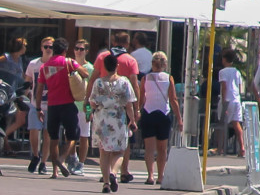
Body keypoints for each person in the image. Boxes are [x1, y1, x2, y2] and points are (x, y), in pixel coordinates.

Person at [87, 31, 141, 183]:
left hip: (101, 117)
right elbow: (129, 102)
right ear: (117, 66)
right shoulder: (124, 82)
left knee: (103, 152)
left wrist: (89, 110)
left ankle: (105, 182)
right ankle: (114, 172)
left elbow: (93, 101)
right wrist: (133, 118)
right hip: (118, 117)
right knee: (119, 151)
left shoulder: (98, 83)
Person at [39, 37, 89, 178]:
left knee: (53, 138)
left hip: (52, 105)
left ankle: (55, 171)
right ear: (66, 50)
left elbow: (39, 89)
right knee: (73, 135)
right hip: (68, 104)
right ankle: (62, 159)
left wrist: (38, 108)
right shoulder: (68, 62)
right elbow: (85, 73)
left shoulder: (45, 66)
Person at [140, 51, 182, 185]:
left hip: (148, 112)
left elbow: (142, 98)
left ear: (152, 63)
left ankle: (150, 175)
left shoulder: (145, 78)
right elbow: (173, 99)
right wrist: (179, 118)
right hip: (163, 113)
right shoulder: (168, 78)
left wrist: (137, 111)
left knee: (149, 148)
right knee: (162, 148)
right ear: (165, 64)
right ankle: (160, 176)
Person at [0, 37, 28, 141]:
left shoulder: (20, 60)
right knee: (6, 118)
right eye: (25, 45)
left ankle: (2, 138)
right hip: (1, 91)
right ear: (19, 46)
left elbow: (22, 76)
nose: (26, 47)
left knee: (17, 119)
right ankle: (3, 142)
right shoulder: (7, 57)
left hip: (13, 92)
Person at [25, 37, 54, 173]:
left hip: (51, 103)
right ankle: (35, 155)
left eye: (51, 47)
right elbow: (28, 80)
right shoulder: (33, 64)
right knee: (34, 130)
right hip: (35, 103)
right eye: (46, 46)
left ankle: (43, 162)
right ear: (41, 48)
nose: (48, 49)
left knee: (48, 133)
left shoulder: (56, 64)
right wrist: (26, 93)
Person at [69, 39, 94, 176]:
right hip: (70, 104)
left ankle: (81, 163)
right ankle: (73, 157)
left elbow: (91, 90)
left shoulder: (90, 68)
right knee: (71, 134)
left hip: (84, 106)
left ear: (86, 51)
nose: (79, 51)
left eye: (81, 49)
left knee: (84, 136)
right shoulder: (69, 65)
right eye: (77, 48)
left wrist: (90, 110)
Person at [218, 48, 246, 158]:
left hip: (228, 99)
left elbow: (224, 86)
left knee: (222, 123)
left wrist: (224, 100)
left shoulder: (223, 72)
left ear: (224, 59)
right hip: (236, 99)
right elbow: (239, 86)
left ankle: (220, 148)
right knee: (236, 123)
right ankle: (242, 147)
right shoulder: (237, 72)